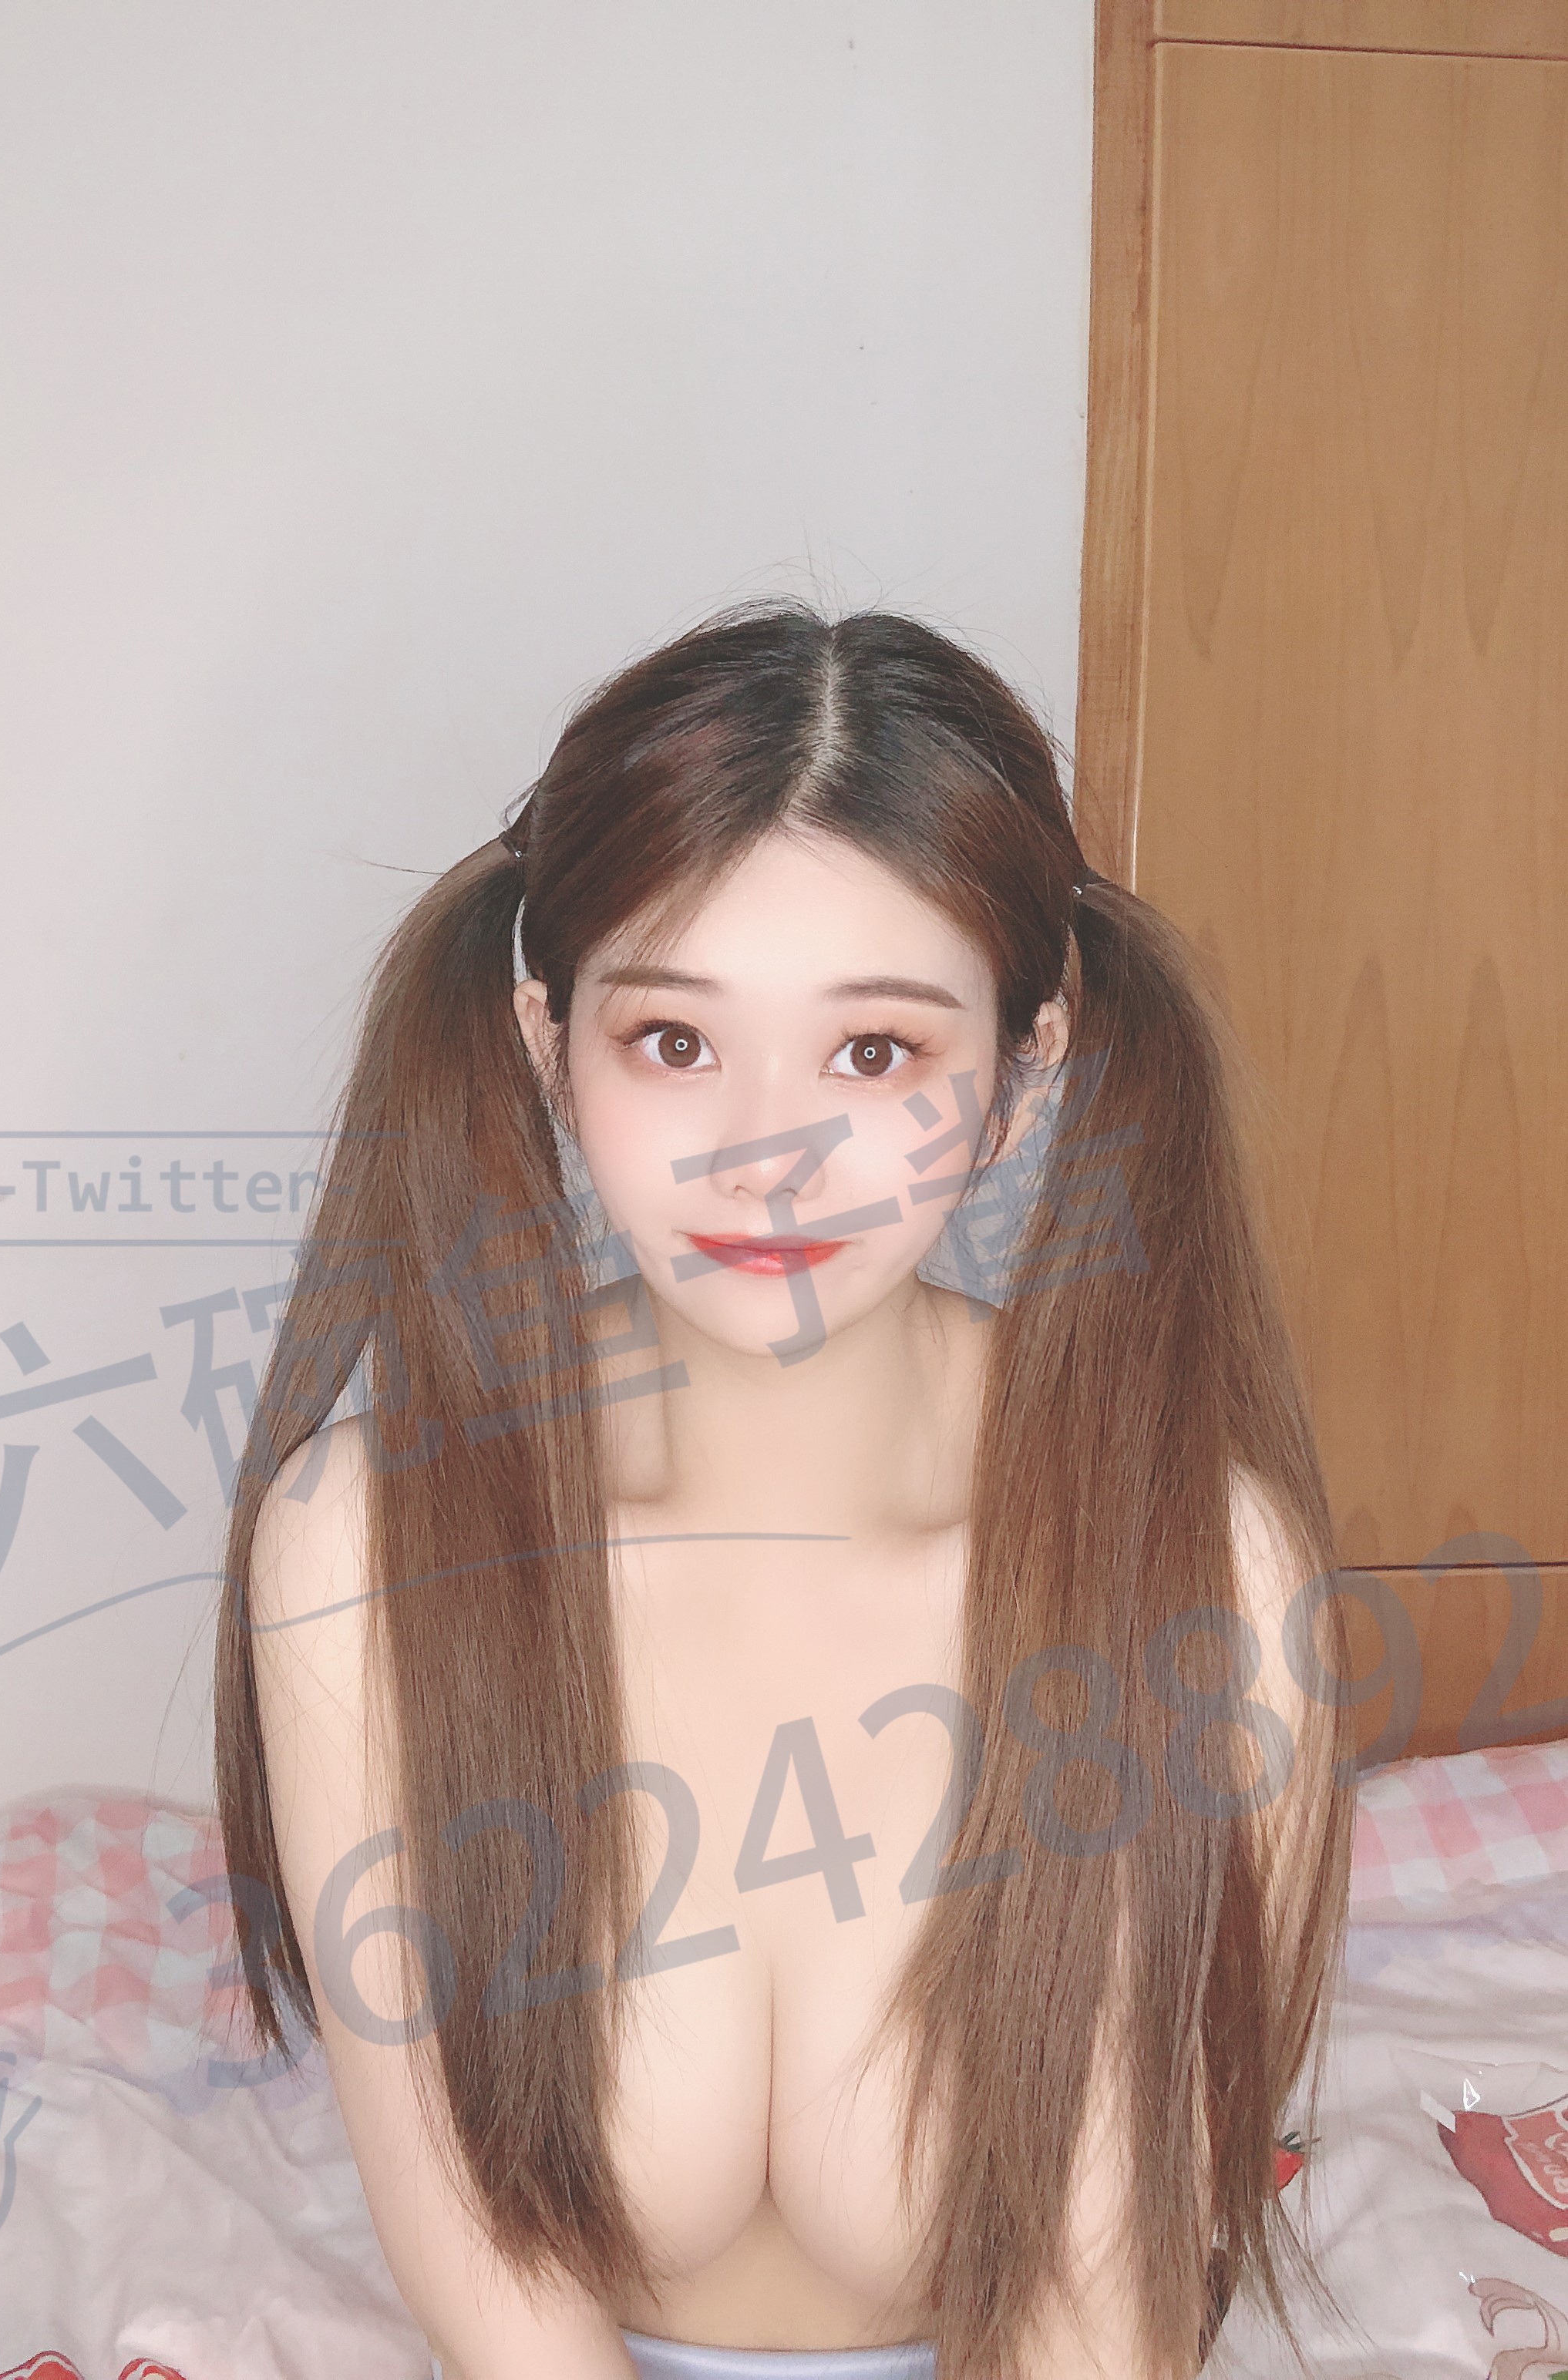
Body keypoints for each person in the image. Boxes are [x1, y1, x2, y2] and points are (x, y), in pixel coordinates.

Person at [212, 606, 1358, 2380]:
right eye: (675, 1041)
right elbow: (488, 2281)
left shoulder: (1208, 1568)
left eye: (876, 1051)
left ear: (1023, 1068)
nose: (769, 1151)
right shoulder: (361, 1544)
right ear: (547, 1042)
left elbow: (1107, 2305)